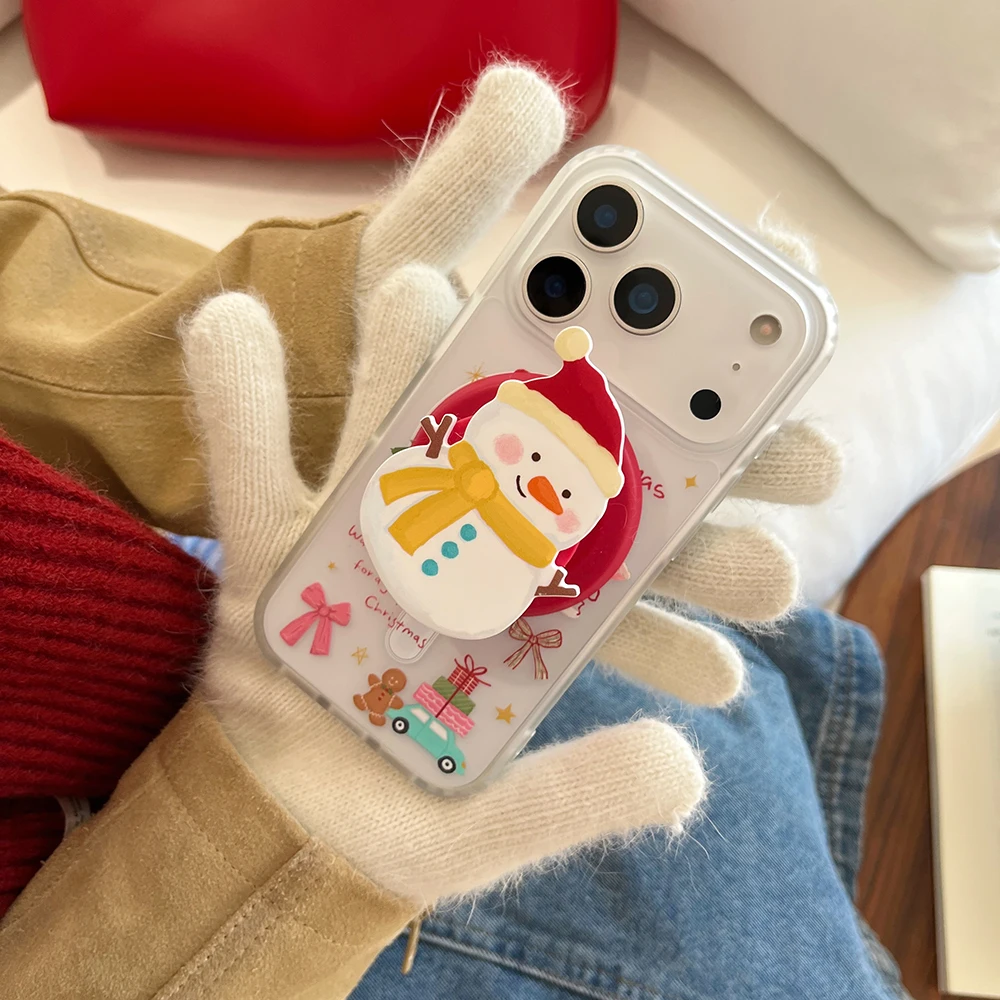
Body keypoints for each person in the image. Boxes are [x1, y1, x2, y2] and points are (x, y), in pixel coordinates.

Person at [0, 66, 843, 998]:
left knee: (777, 686)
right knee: (782, 782)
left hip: (303, 627)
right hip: (217, 852)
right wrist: (261, 853)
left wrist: (330, 369)